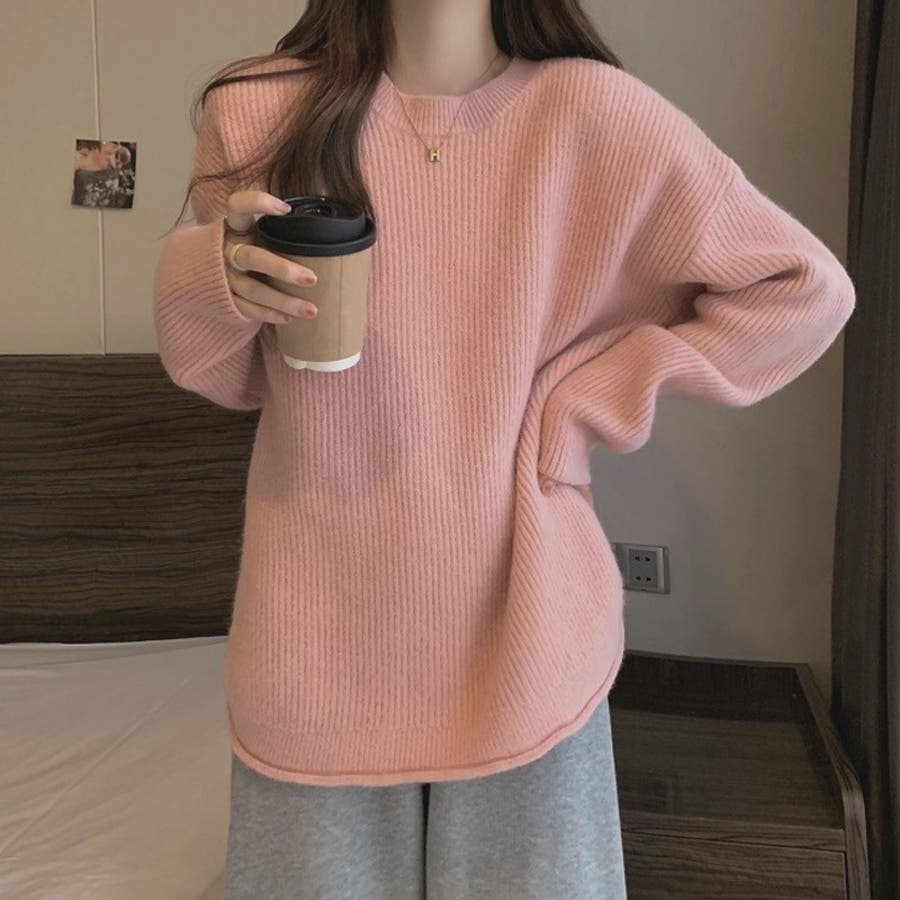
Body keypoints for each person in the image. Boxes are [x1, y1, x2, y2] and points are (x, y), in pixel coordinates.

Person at [152, 1, 856, 897]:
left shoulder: (591, 113)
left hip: (529, 635)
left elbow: (803, 289)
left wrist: (582, 404)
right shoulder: (259, 110)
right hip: (317, 637)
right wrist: (214, 276)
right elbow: (220, 373)